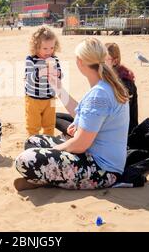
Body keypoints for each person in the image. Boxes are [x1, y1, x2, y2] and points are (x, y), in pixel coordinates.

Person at [14, 37, 129, 191]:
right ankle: (48, 177)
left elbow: (80, 144)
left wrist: (52, 152)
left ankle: (46, 178)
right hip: (94, 155)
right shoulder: (104, 85)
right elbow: (86, 115)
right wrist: (58, 87)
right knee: (33, 142)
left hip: (102, 170)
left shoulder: (99, 94)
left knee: (25, 160)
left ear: (80, 61)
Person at [55, 42, 138, 135]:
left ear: (115, 61)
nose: (101, 63)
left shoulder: (123, 83)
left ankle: (77, 134)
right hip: (102, 123)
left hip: (123, 133)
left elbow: (105, 115)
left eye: (105, 59)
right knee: (56, 116)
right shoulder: (105, 81)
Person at [24, 26, 62, 137]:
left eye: (51, 48)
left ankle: (48, 143)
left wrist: (57, 73)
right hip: (33, 99)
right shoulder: (31, 59)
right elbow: (29, 77)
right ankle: (32, 143)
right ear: (36, 47)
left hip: (50, 98)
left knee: (50, 124)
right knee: (33, 125)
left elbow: (60, 74)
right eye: (45, 49)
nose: (49, 52)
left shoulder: (54, 59)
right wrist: (41, 72)